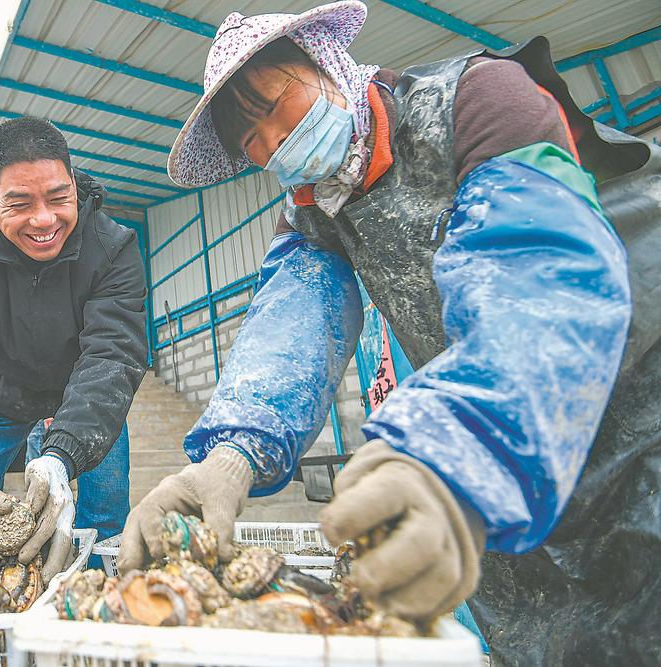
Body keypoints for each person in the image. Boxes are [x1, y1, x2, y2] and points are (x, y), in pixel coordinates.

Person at [117, 3, 660, 665]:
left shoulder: (480, 98)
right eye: (247, 140)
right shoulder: (317, 204)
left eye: (272, 104)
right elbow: (291, 323)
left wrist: (455, 450)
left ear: (328, 63)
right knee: (542, 637)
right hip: (495, 453)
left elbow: (537, 280)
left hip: (627, 424)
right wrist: (229, 454)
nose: (269, 144)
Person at [0, 116, 148, 599]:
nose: (44, 220)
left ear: (75, 186)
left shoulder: (112, 248)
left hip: (82, 397)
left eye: (59, 198)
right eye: (20, 203)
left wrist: (62, 454)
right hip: (0, 397)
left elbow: (112, 354)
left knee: (104, 521)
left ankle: (93, 604)